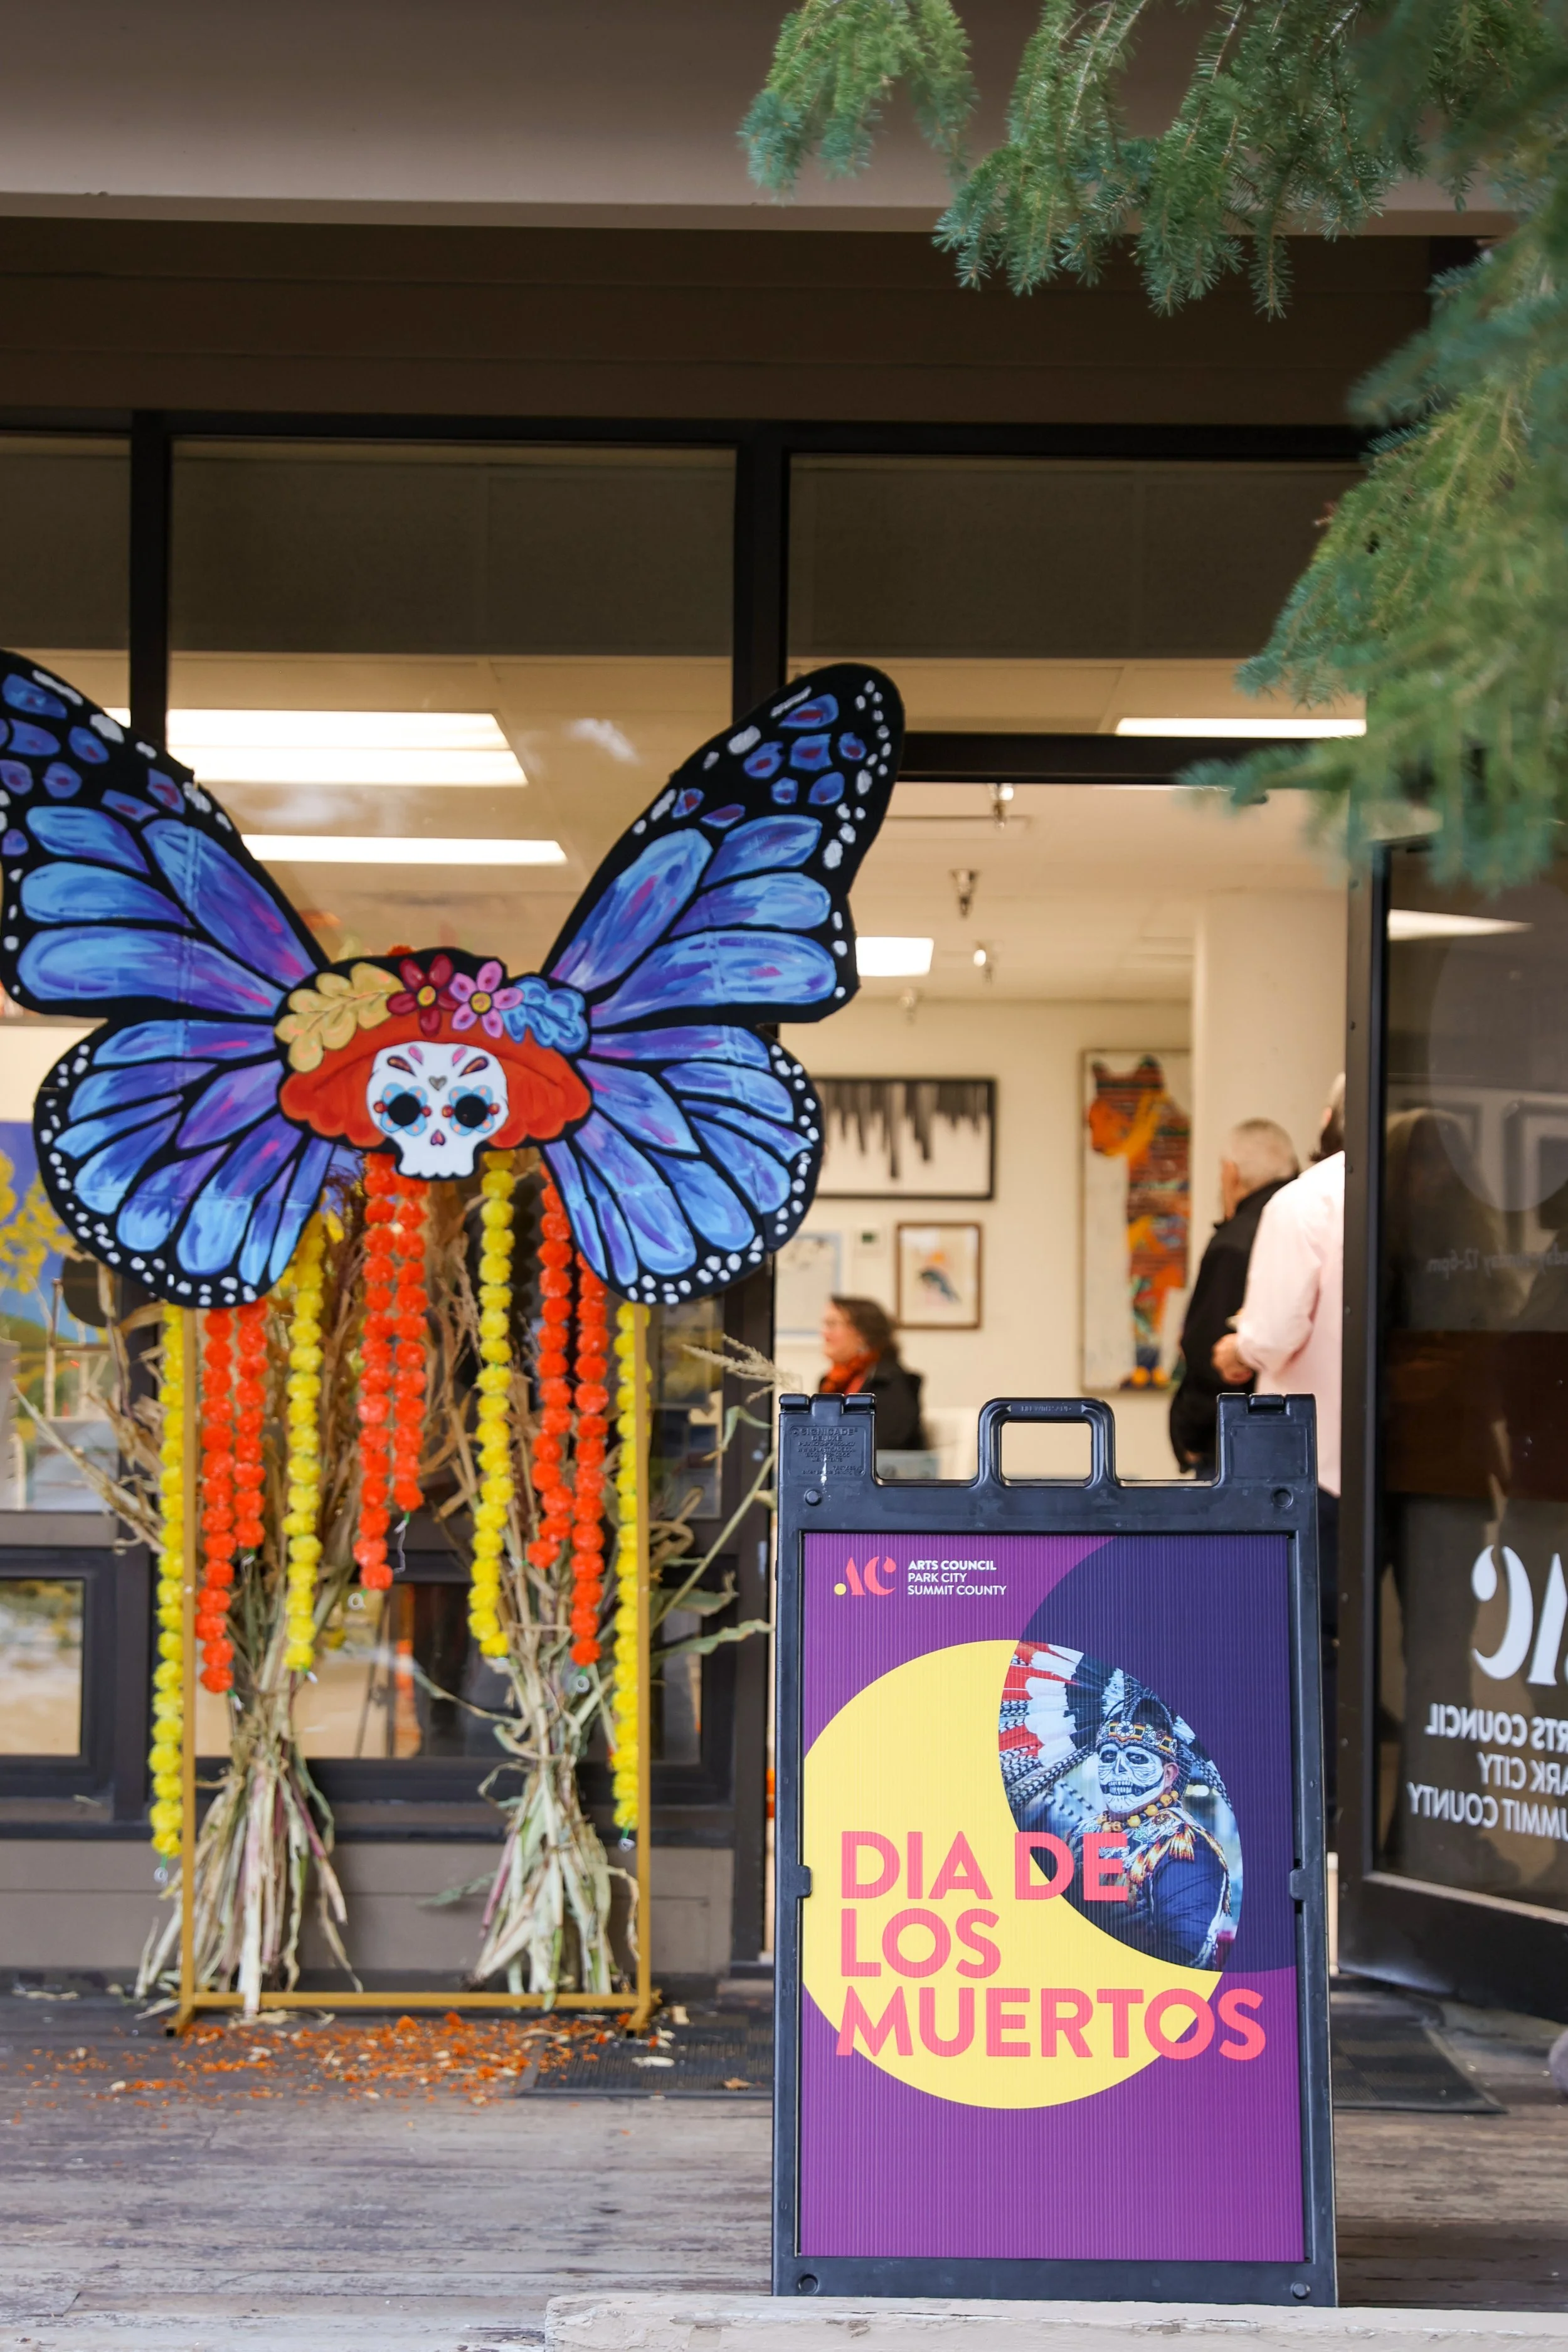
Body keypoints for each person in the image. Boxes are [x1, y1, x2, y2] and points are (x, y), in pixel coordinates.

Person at [1214, 1078, 1345, 1808]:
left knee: (1312, 1646)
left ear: (1327, 1121)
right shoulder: (1438, 1201)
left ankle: (1320, 1819)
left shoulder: (1307, 1201)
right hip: (1429, 1465)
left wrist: (1235, 1346)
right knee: (1425, 1653)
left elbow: (1270, 1335)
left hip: (1318, 1462)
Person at [1168, 1117, 1299, 1473]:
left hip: (1236, 1446)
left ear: (1231, 1173)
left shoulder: (1235, 1243)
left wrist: (1191, 1437)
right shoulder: (1307, 1225)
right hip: (1301, 1436)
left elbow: (1210, 1355)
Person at [818, 1295, 926, 1450]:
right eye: (825, 1324)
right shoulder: (830, 1383)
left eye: (832, 1324)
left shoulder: (893, 1383)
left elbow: (883, 1445)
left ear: (863, 1334)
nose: (824, 1333)